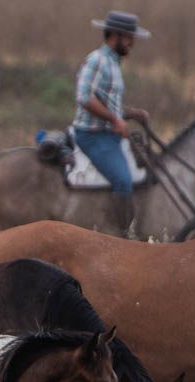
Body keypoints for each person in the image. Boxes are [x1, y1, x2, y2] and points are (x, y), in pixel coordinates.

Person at [73, 11, 151, 235]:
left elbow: (106, 102)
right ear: (115, 36)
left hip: (108, 134)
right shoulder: (98, 60)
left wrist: (130, 114)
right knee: (124, 182)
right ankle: (120, 234)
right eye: (128, 37)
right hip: (92, 135)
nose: (131, 43)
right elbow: (84, 97)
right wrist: (115, 119)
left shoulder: (113, 64)